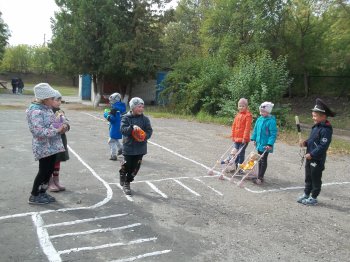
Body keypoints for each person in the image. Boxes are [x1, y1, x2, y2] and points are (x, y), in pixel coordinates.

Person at [26, 83, 67, 204]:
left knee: (49, 170)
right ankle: (34, 195)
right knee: (43, 171)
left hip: (52, 146)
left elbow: (53, 123)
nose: (54, 100)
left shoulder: (47, 108)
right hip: (43, 147)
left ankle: (42, 192)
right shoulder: (35, 111)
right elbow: (38, 131)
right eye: (52, 98)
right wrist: (56, 130)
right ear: (45, 99)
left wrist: (61, 123)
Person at [297, 98, 335, 206]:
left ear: (323, 116)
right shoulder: (316, 127)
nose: (313, 117)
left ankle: (313, 197)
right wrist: (305, 143)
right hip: (309, 157)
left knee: (315, 178)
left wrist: (312, 154)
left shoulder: (326, 130)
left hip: (316, 159)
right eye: (313, 115)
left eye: (315, 116)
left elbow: (323, 146)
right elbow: (312, 140)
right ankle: (306, 194)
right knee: (308, 176)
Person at [119, 97, 153, 195]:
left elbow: (149, 131)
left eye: (142, 107)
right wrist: (132, 127)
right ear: (132, 107)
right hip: (128, 147)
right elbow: (122, 130)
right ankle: (122, 173)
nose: (141, 108)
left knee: (135, 168)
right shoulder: (126, 118)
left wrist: (144, 136)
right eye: (139, 106)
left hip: (140, 148)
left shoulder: (145, 119)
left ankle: (127, 182)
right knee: (127, 165)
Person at [250, 101, 278, 185]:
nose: (261, 113)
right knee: (259, 159)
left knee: (263, 159)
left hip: (266, 145)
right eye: (260, 111)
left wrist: (269, 144)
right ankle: (259, 175)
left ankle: (260, 177)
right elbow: (256, 130)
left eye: (263, 112)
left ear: (268, 111)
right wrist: (254, 139)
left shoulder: (271, 121)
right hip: (259, 143)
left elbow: (273, 134)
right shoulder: (259, 119)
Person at [48, 90, 70, 192]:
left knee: (57, 160)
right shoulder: (46, 112)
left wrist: (65, 126)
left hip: (60, 139)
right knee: (50, 161)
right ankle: (50, 181)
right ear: (50, 100)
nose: (59, 102)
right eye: (57, 100)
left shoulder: (60, 111)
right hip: (50, 140)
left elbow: (66, 122)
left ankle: (56, 180)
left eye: (60, 100)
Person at [230, 98, 252, 168]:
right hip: (236, 138)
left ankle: (240, 168)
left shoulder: (248, 115)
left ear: (246, 107)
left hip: (243, 139)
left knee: (241, 153)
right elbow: (234, 126)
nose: (241, 107)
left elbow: (247, 128)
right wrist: (233, 136)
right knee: (235, 153)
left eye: (243, 106)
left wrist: (244, 138)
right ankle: (235, 166)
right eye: (240, 106)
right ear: (238, 106)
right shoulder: (238, 115)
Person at [104, 93, 127, 160]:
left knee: (111, 141)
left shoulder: (115, 109)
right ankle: (121, 149)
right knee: (115, 139)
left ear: (115, 100)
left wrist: (106, 115)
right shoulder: (121, 107)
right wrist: (110, 113)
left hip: (115, 127)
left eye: (111, 100)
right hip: (120, 126)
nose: (110, 102)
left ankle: (113, 155)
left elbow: (112, 119)